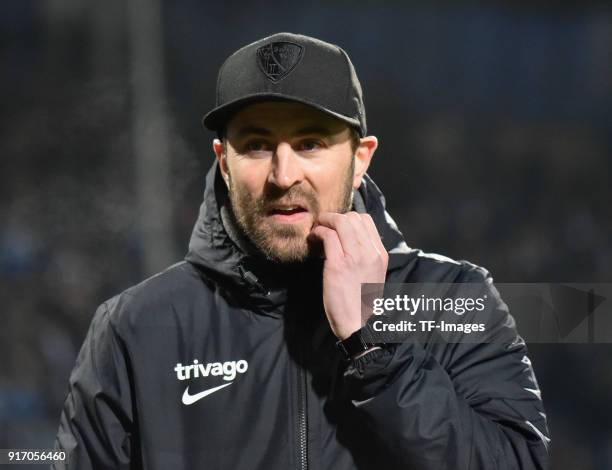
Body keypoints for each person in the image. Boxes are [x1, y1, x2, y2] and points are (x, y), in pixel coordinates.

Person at [54, 32, 550, 469]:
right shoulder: (134, 328)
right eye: (256, 145)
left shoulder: (452, 299)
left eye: (310, 143)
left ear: (360, 159)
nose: (283, 174)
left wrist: (375, 345)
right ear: (223, 163)